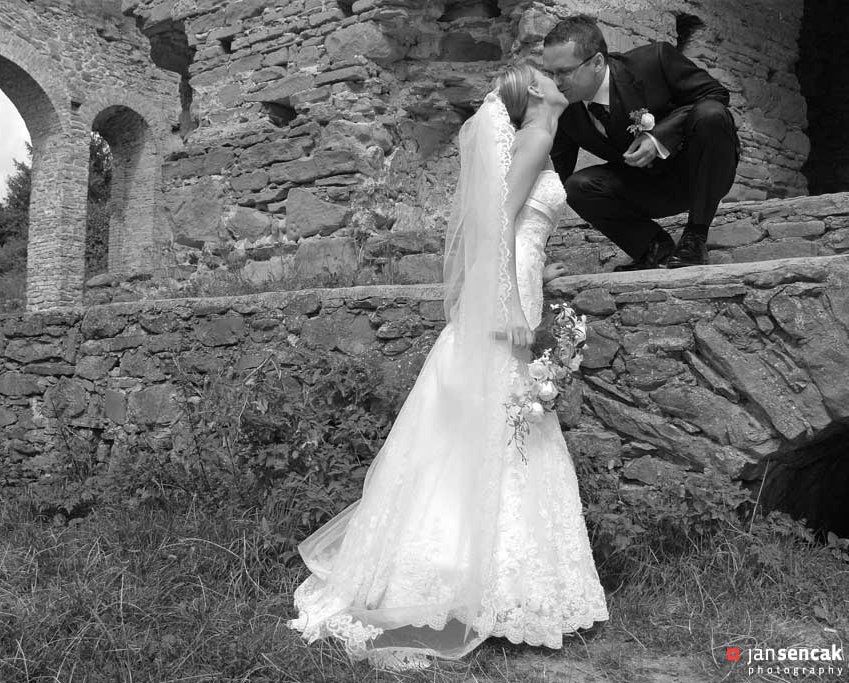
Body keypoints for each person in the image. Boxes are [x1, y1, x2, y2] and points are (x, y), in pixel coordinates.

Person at [288, 64, 608, 671]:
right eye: (548, 75)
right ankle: (475, 581)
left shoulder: (538, 138)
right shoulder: (537, 136)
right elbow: (498, 222)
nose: (559, 79)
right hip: (507, 298)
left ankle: (495, 583)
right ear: (534, 92)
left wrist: (537, 272)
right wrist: (512, 307)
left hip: (518, 284)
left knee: (495, 424)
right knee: (500, 423)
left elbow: (519, 229)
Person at [542, 15, 740, 270]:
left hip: (698, 174)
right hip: (643, 188)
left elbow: (716, 94)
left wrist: (659, 137)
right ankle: (654, 250)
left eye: (564, 72)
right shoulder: (563, 108)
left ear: (597, 62)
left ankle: (694, 239)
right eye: (550, 73)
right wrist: (530, 248)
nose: (556, 82)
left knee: (712, 114)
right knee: (576, 187)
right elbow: (554, 180)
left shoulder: (655, 60)